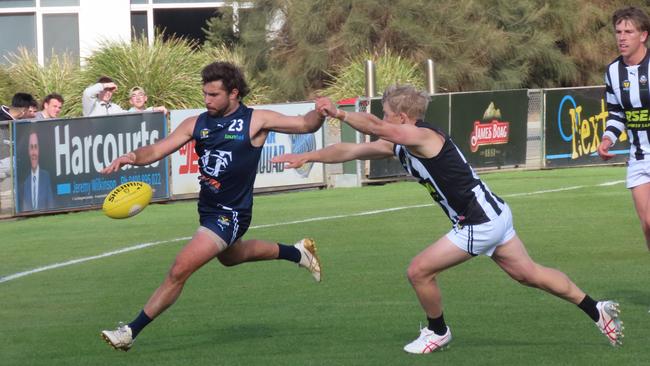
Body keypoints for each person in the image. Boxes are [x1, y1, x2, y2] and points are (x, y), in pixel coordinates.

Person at [272, 85, 624, 353]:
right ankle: (597, 309)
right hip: (492, 213)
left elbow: (379, 130)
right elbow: (351, 149)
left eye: (386, 114)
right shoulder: (402, 141)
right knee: (528, 274)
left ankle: (437, 331)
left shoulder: (424, 136)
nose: (382, 119)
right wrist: (309, 157)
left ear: (403, 118)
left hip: (479, 222)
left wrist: (339, 114)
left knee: (419, 270)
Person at [99, 61, 325, 352]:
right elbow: (156, 150)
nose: (207, 100)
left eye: (214, 95)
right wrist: (131, 156)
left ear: (234, 93)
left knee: (180, 268)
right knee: (232, 257)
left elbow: (305, 124)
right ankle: (298, 252)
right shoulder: (196, 123)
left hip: (231, 214)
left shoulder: (256, 120)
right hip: (207, 209)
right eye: (204, 94)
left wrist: (320, 112)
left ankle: (130, 331)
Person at [598, 6, 650, 251]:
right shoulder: (612, 72)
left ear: (643, 35)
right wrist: (608, 139)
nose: (621, 37)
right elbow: (616, 113)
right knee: (648, 224)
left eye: (628, 31)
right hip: (639, 158)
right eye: (618, 31)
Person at [22, 131, 54, 211]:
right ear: (28, 151)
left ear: (39, 150)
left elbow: (51, 206)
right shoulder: (25, 182)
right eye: (31, 147)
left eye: (36, 147)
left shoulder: (46, 177)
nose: (33, 153)